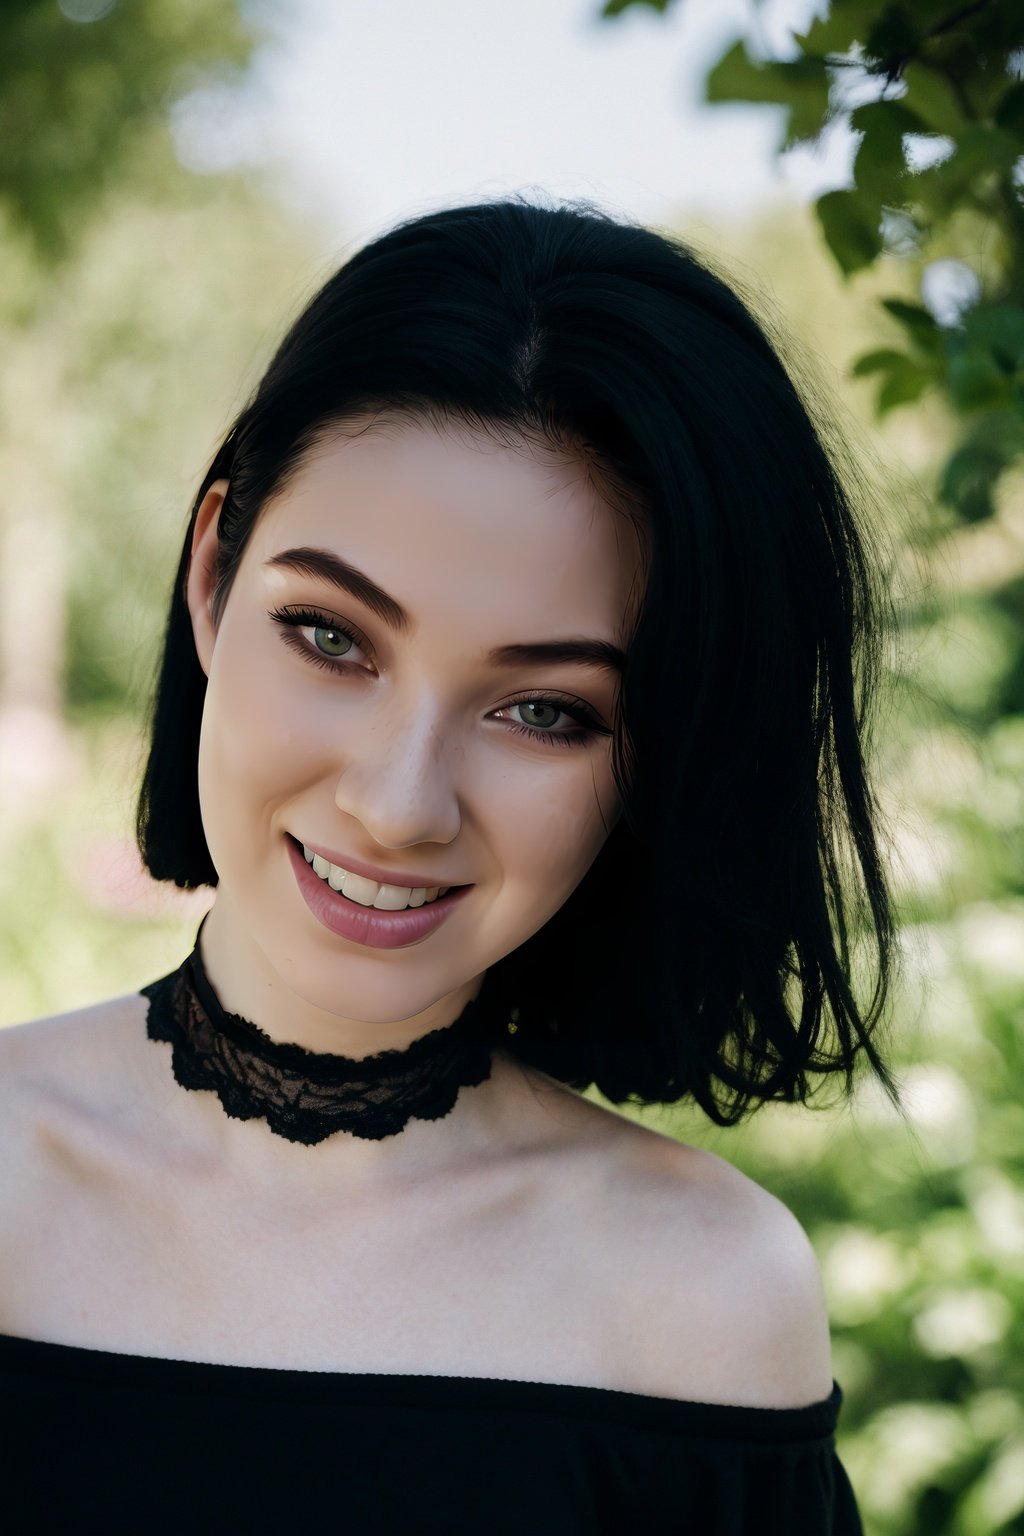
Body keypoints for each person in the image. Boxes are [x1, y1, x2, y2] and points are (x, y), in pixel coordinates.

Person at [0, 195, 899, 1533]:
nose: (398, 802)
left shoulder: (704, 1297)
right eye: (331, 636)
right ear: (210, 572)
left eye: (546, 711)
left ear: (658, 757)